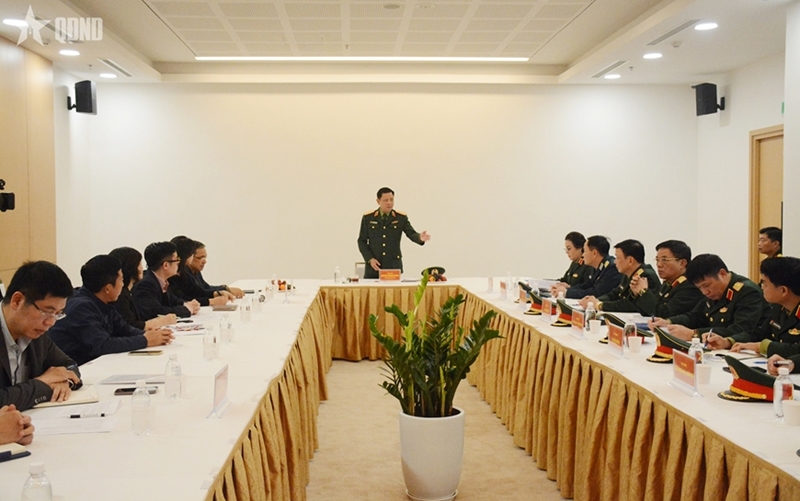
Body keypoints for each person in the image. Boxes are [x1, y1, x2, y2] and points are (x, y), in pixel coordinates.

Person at [48, 255, 174, 366]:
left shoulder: (103, 301)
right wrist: (145, 340)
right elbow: (102, 345)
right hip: (77, 368)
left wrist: (150, 335)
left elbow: (124, 329)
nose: (122, 285)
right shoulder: (81, 307)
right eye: (121, 280)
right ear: (107, 288)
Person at [0, 261, 82, 410]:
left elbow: (69, 365)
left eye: (58, 314)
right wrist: (42, 385)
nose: (51, 322)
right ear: (17, 301)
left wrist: (64, 382)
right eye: (46, 312)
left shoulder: (36, 333)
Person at [650, 254, 769, 342]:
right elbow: (696, 316)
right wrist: (668, 322)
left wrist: (694, 334)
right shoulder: (713, 291)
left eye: (706, 285)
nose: (704, 292)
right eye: (700, 288)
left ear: (722, 274)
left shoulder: (747, 292)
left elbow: (739, 330)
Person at [716, 257, 800, 355]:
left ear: (783, 291)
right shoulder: (779, 307)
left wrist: (761, 346)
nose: (761, 287)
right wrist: (728, 341)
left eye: (765, 283)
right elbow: (760, 333)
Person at [358, 187, 430, 279]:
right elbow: (362, 241)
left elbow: (411, 233)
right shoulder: (368, 218)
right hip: (374, 268)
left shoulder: (400, 218)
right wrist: (370, 259)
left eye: (391, 200)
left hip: (392, 266)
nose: (389, 203)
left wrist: (420, 238)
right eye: (385, 200)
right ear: (378, 201)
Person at [579, 239, 660, 313]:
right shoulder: (628, 274)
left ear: (630, 261)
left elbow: (630, 305)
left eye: (618, 258)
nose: (615, 262)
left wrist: (600, 305)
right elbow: (615, 294)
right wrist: (595, 300)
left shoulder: (645, 276)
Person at [627, 240, 703, 317]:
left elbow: (665, 314)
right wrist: (637, 293)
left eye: (664, 260)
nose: (659, 265)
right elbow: (649, 311)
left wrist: (643, 292)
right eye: (657, 260)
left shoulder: (690, 286)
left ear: (682, 263)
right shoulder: (668, 282)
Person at [108, 246, 177, 330]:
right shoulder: (120, 295)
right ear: (131, 267)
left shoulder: (127, 292)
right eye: (139, 264)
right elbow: (130, 326)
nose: (142, 268)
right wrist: (161, 321)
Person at [132, 242, 201, 320]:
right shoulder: (145, 284)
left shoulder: (162, 280)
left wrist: (187, 304)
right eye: (176, 259)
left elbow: (172, 300)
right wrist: (186, 310)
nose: (179, 262)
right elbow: (156, 311)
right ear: (166, 265)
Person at [168, 237, 232, 307]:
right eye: (199, 257)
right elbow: (182, 299)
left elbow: (198, 291)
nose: (204, 261)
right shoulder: (171, 275)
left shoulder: (184, 272)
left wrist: (218, 293)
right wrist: (210, 301)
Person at [551, 235, 621, 299]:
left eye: (584, 251)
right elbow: (587, 285)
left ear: (594, 253)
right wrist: (568, 289)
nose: (583, 255)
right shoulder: (596, 267)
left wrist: (567, 293)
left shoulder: (611, 268)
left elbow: (597, 293)